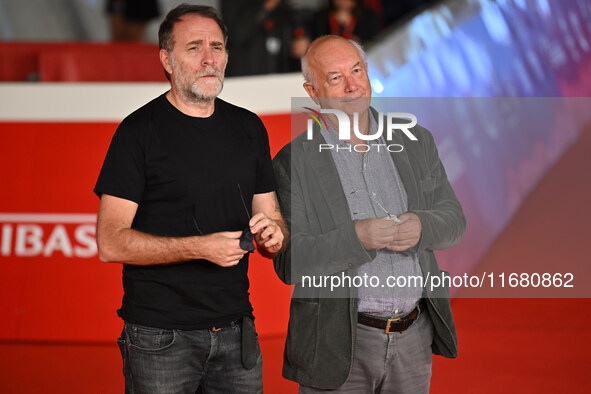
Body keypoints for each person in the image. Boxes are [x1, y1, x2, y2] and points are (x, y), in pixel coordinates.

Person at [94, 4, 287, 393]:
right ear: (166, 59)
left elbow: (273, 219)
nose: (209, 59)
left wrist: (275, 236)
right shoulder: (137, 133)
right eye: (194, 47)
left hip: (237, 329)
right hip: (160, 337)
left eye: (217, 47)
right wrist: (201, 248)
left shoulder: (249, 128)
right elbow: (110, 242)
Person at [272, 35, 465, 392]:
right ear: (312, 92)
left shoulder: (415, 140)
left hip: (413, 338)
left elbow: (454, 220)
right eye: (335, 77)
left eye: (357, 70)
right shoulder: (293, 162)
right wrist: (356, 238)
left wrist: (423, 227)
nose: (352, 85)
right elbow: (290, 262)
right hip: (337, 343)